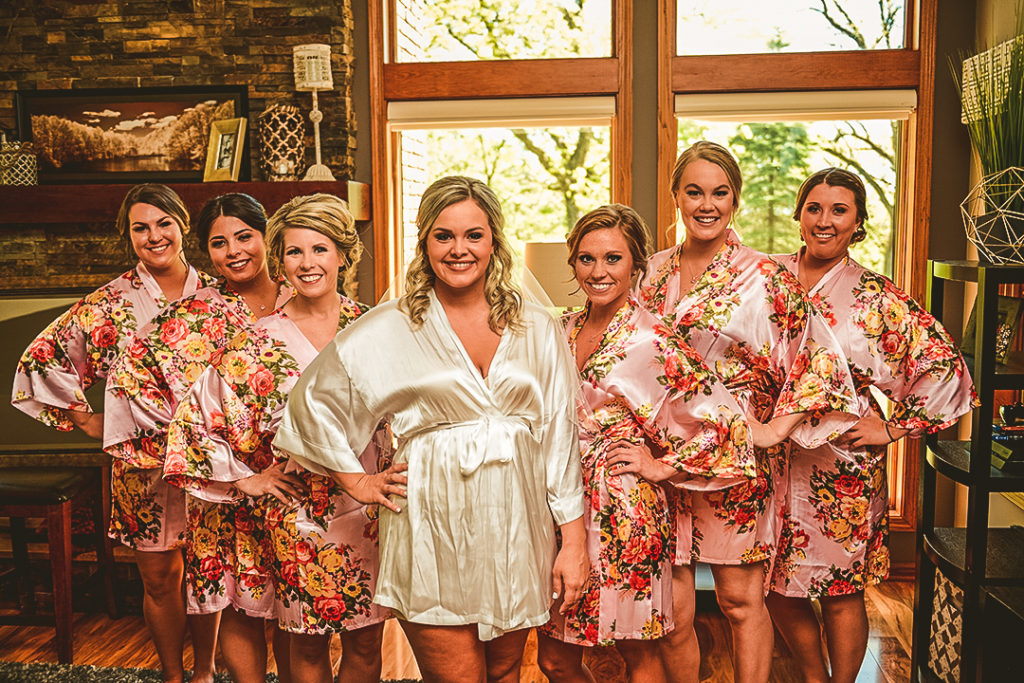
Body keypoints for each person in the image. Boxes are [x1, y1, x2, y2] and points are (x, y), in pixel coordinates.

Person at [273, 175, 588, 683]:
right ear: (424, 242)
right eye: (443, 236)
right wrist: (357, 480)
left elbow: (559, 436)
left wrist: (572, 541)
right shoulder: (391, 325)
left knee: (505, 672)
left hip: (517, 520)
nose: (459, 249)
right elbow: (312, 402)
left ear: (494, 241)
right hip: (430, 518)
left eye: (473, 235)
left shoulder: (537, 324)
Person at [637, 141, 859, 683]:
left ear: (735, 199)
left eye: (719, 192)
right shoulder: (649, 271)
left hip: (734, 460)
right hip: (660, 459)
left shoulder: (765, 274)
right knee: (673, 607)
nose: (706, 204)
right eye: (694, 191)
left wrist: (772, 430)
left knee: (739, 600)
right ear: (676, 197)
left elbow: (819, 355)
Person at [163, 193, 392, 683]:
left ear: (342, 254)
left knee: (367, 641)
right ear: (280, 260)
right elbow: (195, 420)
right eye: (294, 252)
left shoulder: (377, 327)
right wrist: (246, 478)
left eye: (320, 249)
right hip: (298, 511)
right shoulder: (258, 340)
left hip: (371, 508)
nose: (307, 264)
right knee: (305, 643)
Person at [536, 204, 762, 683]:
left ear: (637, 266)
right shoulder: (561, 329)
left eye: (613, 259)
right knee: (554, 658)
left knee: (638, 651)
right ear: (573, 263)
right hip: (561, 504)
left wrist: (661, 466)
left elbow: (725, 423)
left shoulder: (652, 337)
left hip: (625, 504)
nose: (598, 272)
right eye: (586, 259)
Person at [766, 168, 975, 683]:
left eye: (839, 210)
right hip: (769, 457)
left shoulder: (875, 296)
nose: (824, 220)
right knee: (769, 586)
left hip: (841, 466)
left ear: (857, 223)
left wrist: (893, 427)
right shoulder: (766, 277)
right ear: (799, 213)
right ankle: (815, 676)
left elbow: (943, 363)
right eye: (814, 207)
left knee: (840, 590)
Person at [11, 184, 218, 683]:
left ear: (183, 225)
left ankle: (207, 672)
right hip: (140, 463)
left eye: (164, 223)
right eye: (140, 227)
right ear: (128, 236)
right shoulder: (110, 302)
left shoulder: (219, 293)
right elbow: (43, 357)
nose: (154, 236)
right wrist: (86, 418)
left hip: (212, 458)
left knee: (211, 572)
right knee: (159, 577)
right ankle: (172, 675)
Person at [104, 192, 293, 682]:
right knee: (233, 601)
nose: (233, 251)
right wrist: (228, 470)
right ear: (205, 250)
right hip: (226, 485)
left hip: (298, 478)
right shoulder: (192, 313)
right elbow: (128, 382)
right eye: (218, 243)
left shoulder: (304, 295)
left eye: (244, 236)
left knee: (295, 602)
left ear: (267, 235)